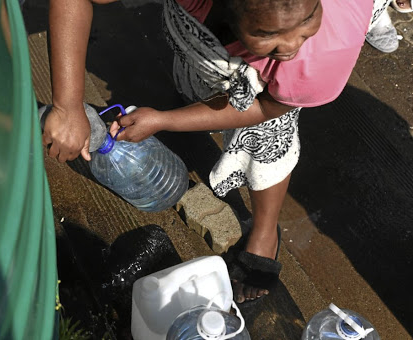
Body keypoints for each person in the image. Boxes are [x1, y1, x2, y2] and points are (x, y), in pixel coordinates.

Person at [42, 0, 385, 304]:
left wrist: (165, 120)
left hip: (289, 88)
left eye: (309, 17)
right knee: (206, 73)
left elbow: (268, 107)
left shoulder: (318, 56)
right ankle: (213, 69)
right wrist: (67, 105)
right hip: (214, 23)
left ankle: (264, 232)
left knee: (266, 134)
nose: (293, 44)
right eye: (268, 33)